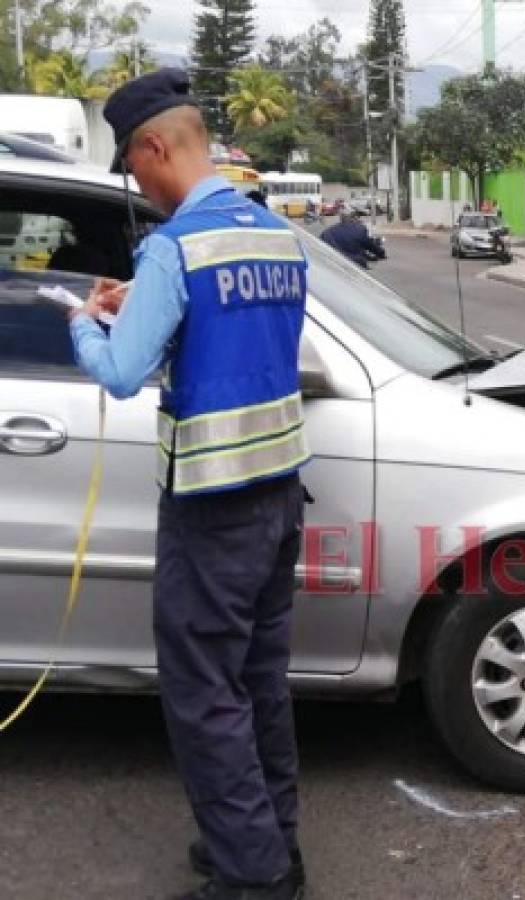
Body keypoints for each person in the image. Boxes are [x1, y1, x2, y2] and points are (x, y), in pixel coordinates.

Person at [68, 69, 308, 900]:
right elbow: (237, 331)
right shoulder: (273, 235)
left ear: (156, 146)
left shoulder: (174, 247)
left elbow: (125, 374)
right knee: (258, 685)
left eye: (133, 167)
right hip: (281, 498)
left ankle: (253, 877)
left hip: (213, 509)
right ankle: (272, 842)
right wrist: (146, 300)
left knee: (204, 695)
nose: (137, 184)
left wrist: (82, 325)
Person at [320, 209, 385, 268]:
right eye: (356, 217)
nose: (358, 219)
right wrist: (381, 253)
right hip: (354, 263)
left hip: (333, 264)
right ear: (353, 218)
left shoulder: (327, 232)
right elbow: (370, 245)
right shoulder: (360, 229)